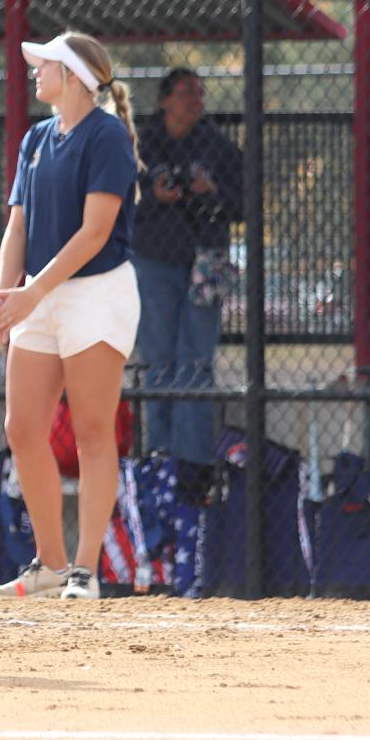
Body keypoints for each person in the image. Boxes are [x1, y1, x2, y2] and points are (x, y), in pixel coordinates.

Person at [0, 32, 142, 601]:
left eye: (43, 65)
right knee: (22, 428)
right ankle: (49, 566)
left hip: (96, 293)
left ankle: (83, 571)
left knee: (93, 432)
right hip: (38, 297)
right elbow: (18, 227)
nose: (34, 73)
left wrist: (32, 293)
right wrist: (7, 299)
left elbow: (95, 233)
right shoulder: (36, 138)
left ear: (72, 76)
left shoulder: (107, 136)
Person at [129, 68, 242, 465]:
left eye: (200, 92)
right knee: (159, 359)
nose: (194, 100)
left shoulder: (218, 147)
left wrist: (211, 193)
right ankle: (159, 457)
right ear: (164, 100)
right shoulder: (139, 141)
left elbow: (243, 203)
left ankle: (193, 463)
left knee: (195, 361)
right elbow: (116, 202)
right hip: (154, 262)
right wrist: (154, 195)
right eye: (185, 93)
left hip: (205, 262)